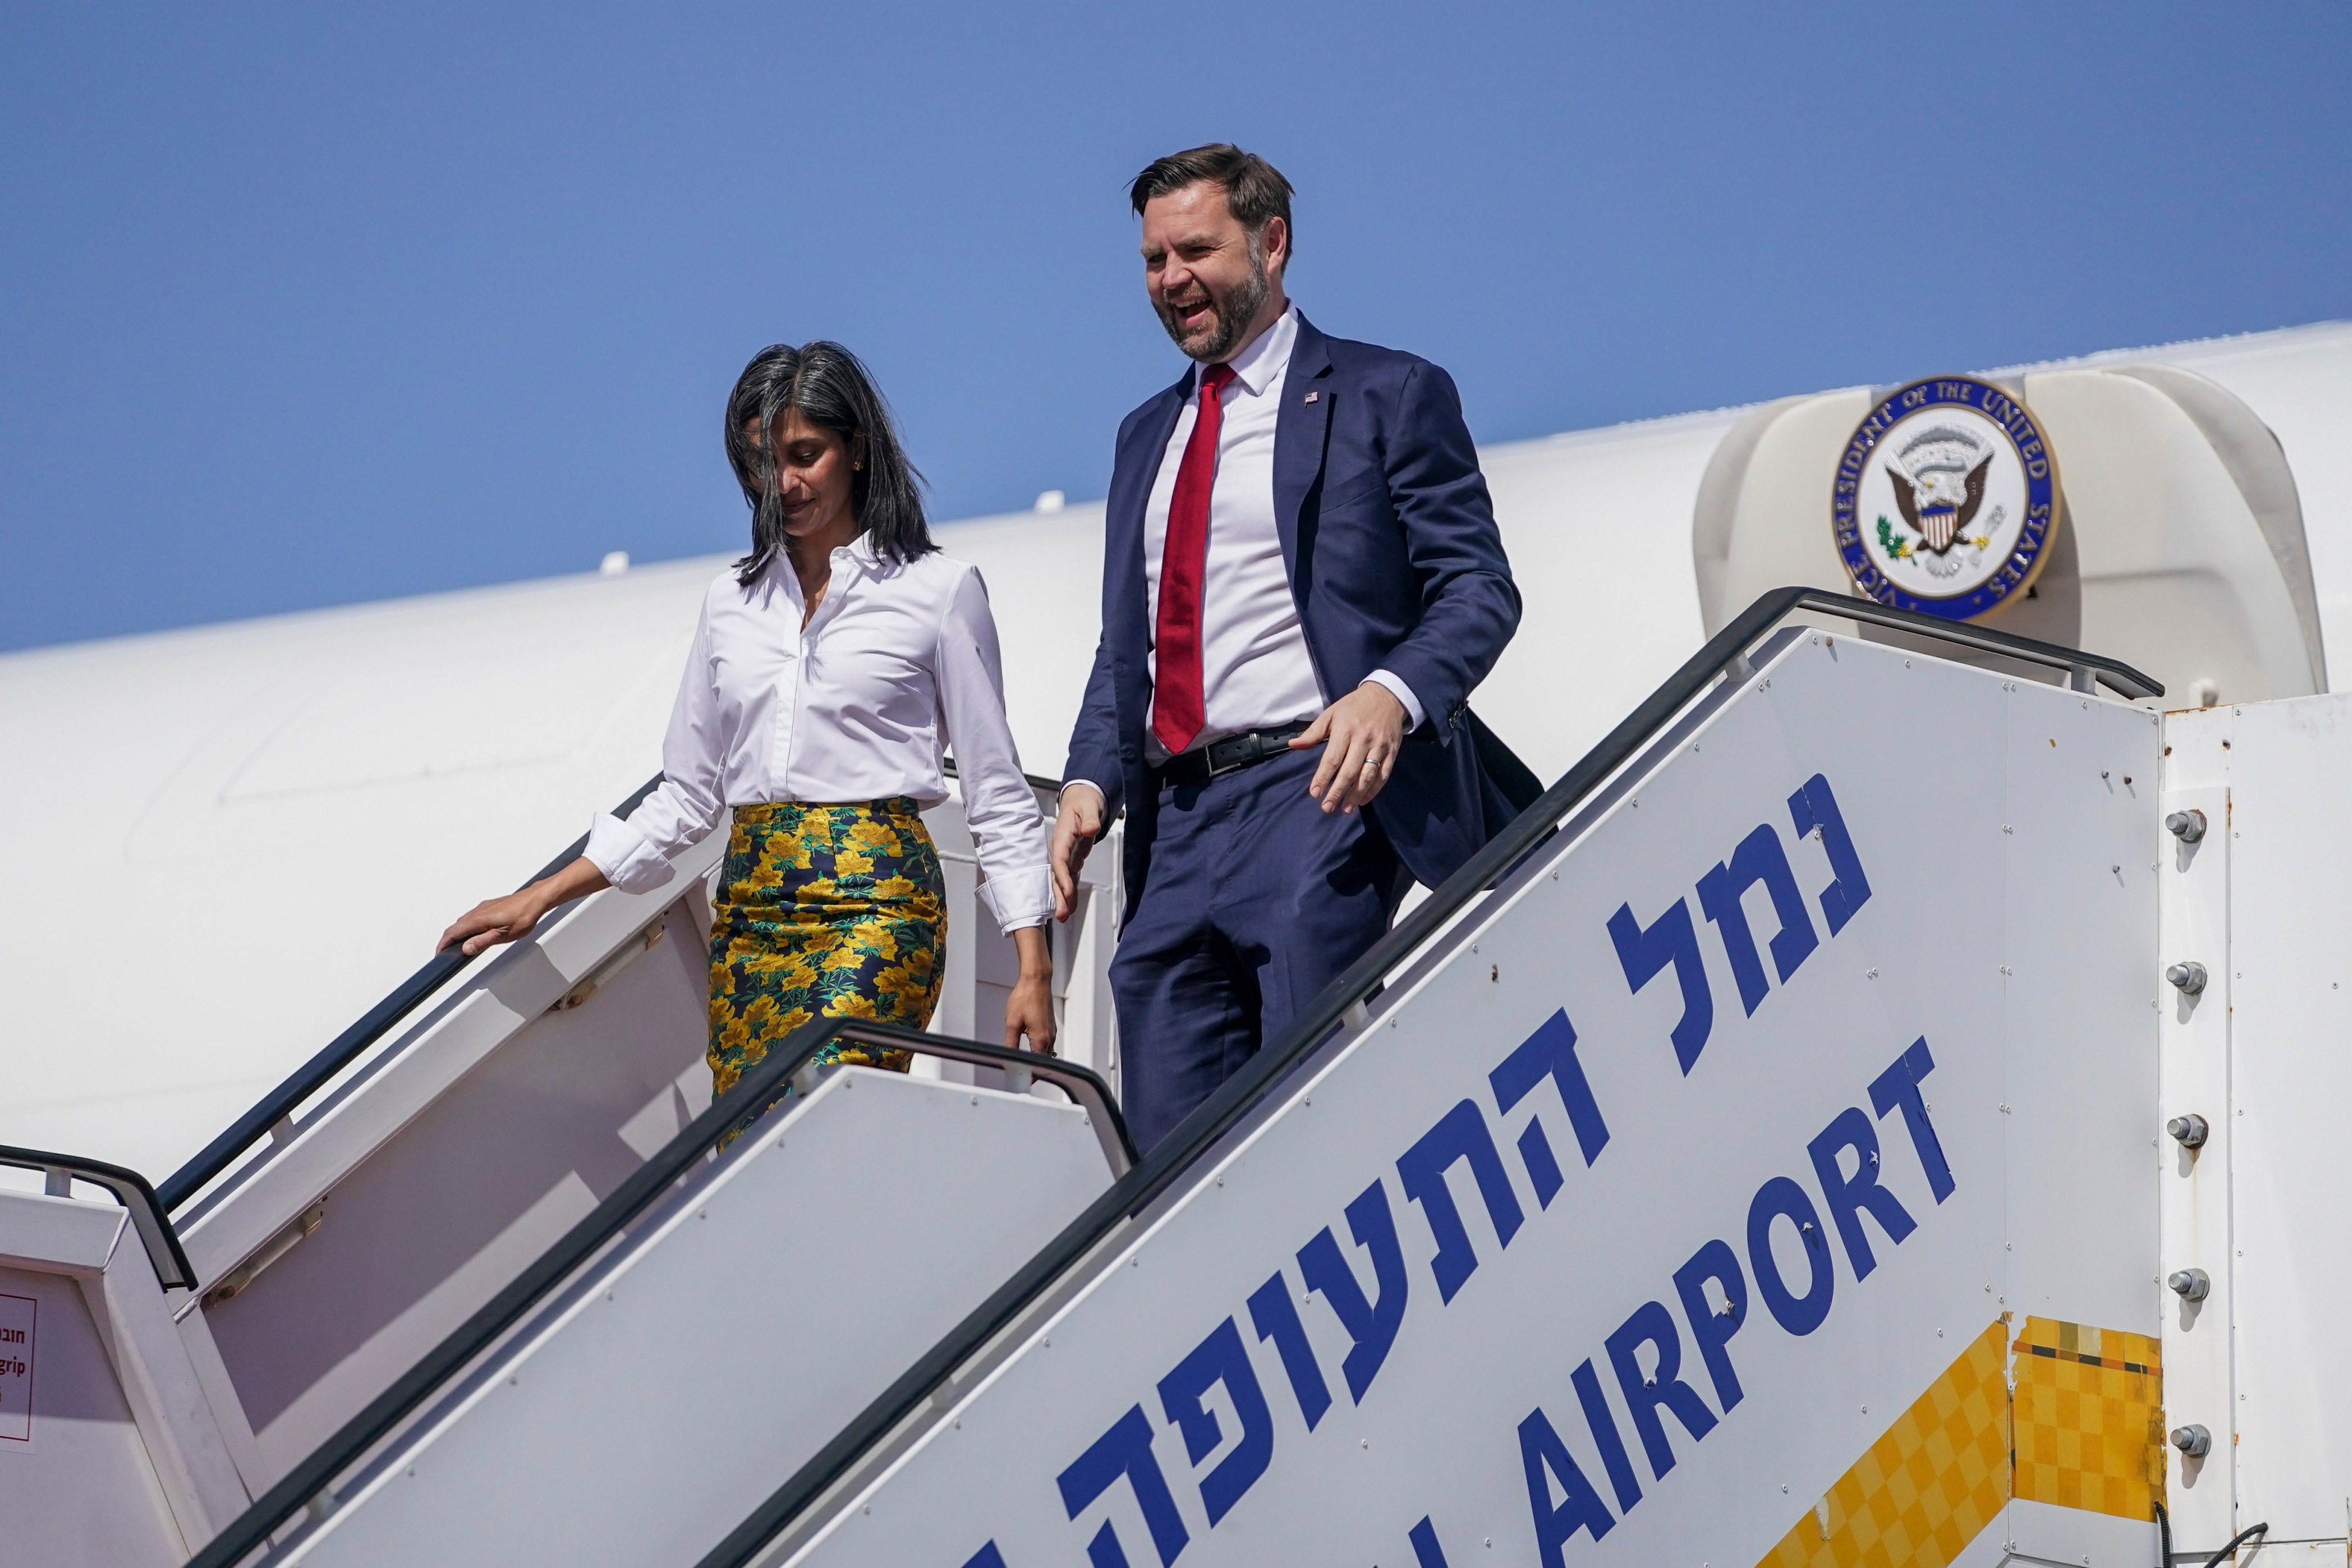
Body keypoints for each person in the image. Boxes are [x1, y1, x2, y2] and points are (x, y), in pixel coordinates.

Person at [1051, 145, 1523, 1152]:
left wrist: (1390, 694)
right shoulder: (1146, 435)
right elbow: (1132, 636)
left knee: (1318, 1119)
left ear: (1271, 243)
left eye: (1196, 250)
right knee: (1170, 1157)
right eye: (1151, 259)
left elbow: (1478, 588)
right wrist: (1091, 778)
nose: (1170, 278)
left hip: (1315, 787)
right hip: (1174, 822)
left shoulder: (1386, 392)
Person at [442, 341, 1056, 1111]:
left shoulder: (938, 590)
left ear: (857, 448)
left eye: (806, 455)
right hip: (753, 912)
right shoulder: (728, 604)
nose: (785, 483)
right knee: (750, 1137)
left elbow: (997, 789)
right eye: (764, 462)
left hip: (876, 905)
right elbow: (688, 796)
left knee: (827, 1105)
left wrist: (1033, 968)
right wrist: (540, 895)